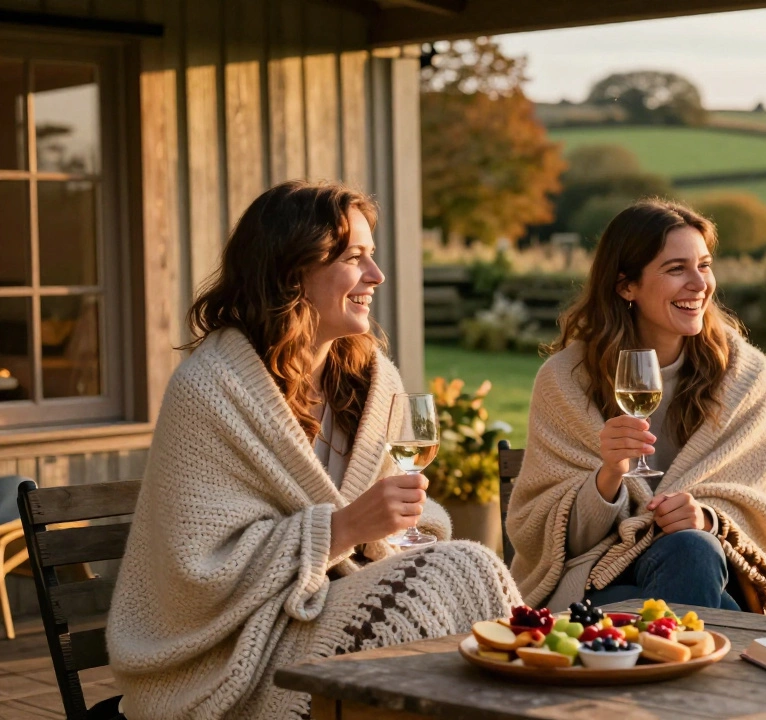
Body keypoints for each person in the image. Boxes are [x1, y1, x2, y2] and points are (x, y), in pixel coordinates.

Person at [107, 181, 521, 720]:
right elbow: (195, 572)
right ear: (292, 270)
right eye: (354, 258)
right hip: (242, 646)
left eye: (372, 257)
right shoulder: (210, 387)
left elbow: (408, 520)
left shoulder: (374, 381)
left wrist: (394, 526)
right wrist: (343, 529)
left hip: (340, 601)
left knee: (471, 567)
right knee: (433, 587)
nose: (376, 277)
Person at [507, 199, 766, 616]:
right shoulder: (566, 380)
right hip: (602, 578)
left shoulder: (745, 376)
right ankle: (698, 662)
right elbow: (542, 534)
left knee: (691, 548)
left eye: (704, 264)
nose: (699, 284)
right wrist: (608, 476)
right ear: (627, 286)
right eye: (676, 269)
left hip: (712, 565)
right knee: (707, 595)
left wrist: (708, 520)